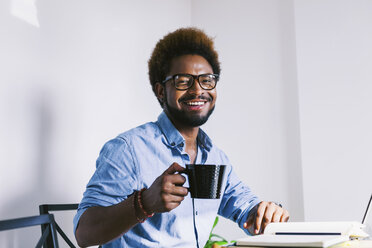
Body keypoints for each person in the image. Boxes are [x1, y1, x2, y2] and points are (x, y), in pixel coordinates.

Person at [73, 27, 290, 248]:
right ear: (160, 91)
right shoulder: (128, 149)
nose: (198, 90)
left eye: (206, 80)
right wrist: (144, 203)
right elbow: (84, 233)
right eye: (183, 81)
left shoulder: (215, 157)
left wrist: (266, 212)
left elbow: (247, 210)